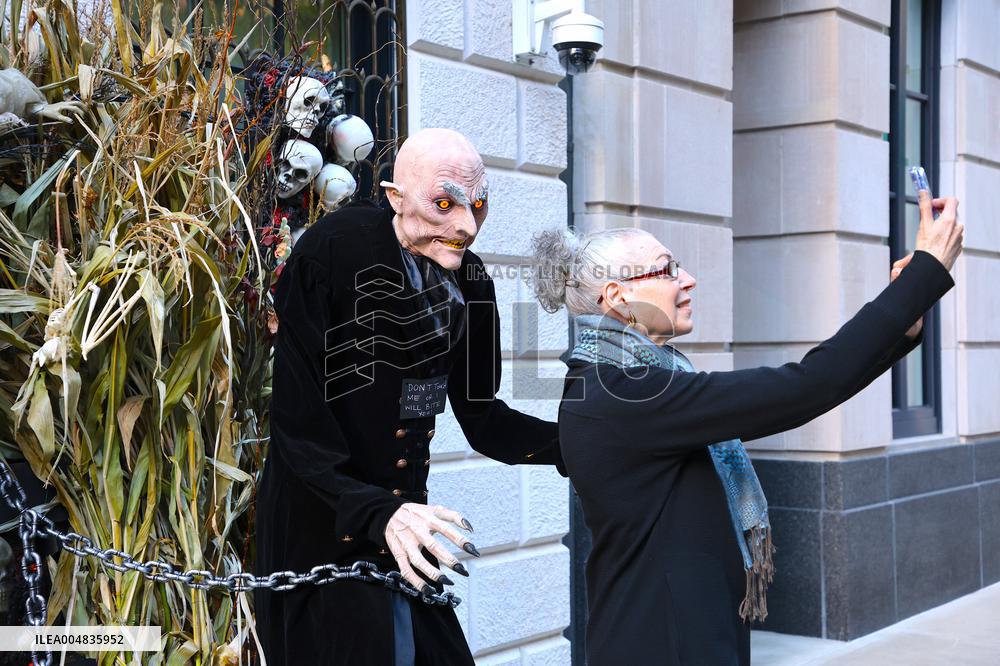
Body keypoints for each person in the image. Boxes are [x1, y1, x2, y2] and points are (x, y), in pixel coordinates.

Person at [529, 191, 963, 665]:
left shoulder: (636, 381)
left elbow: (810, 387)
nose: (689, 280)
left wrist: (903, 323)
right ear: (618, 297)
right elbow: (807, 385)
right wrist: (921, 277)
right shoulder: (626, 393)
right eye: (668, 269)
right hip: (663, 645)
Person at [255, 128, 564, 664]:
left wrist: (579, 444)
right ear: (397, 199)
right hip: (320, 536)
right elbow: (298, 425)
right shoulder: (332, 252)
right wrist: (378, 512)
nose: (466, 226)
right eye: (444, 204)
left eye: (478, 205)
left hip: (404, 536)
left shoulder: (472, 282)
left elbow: (484, 417)